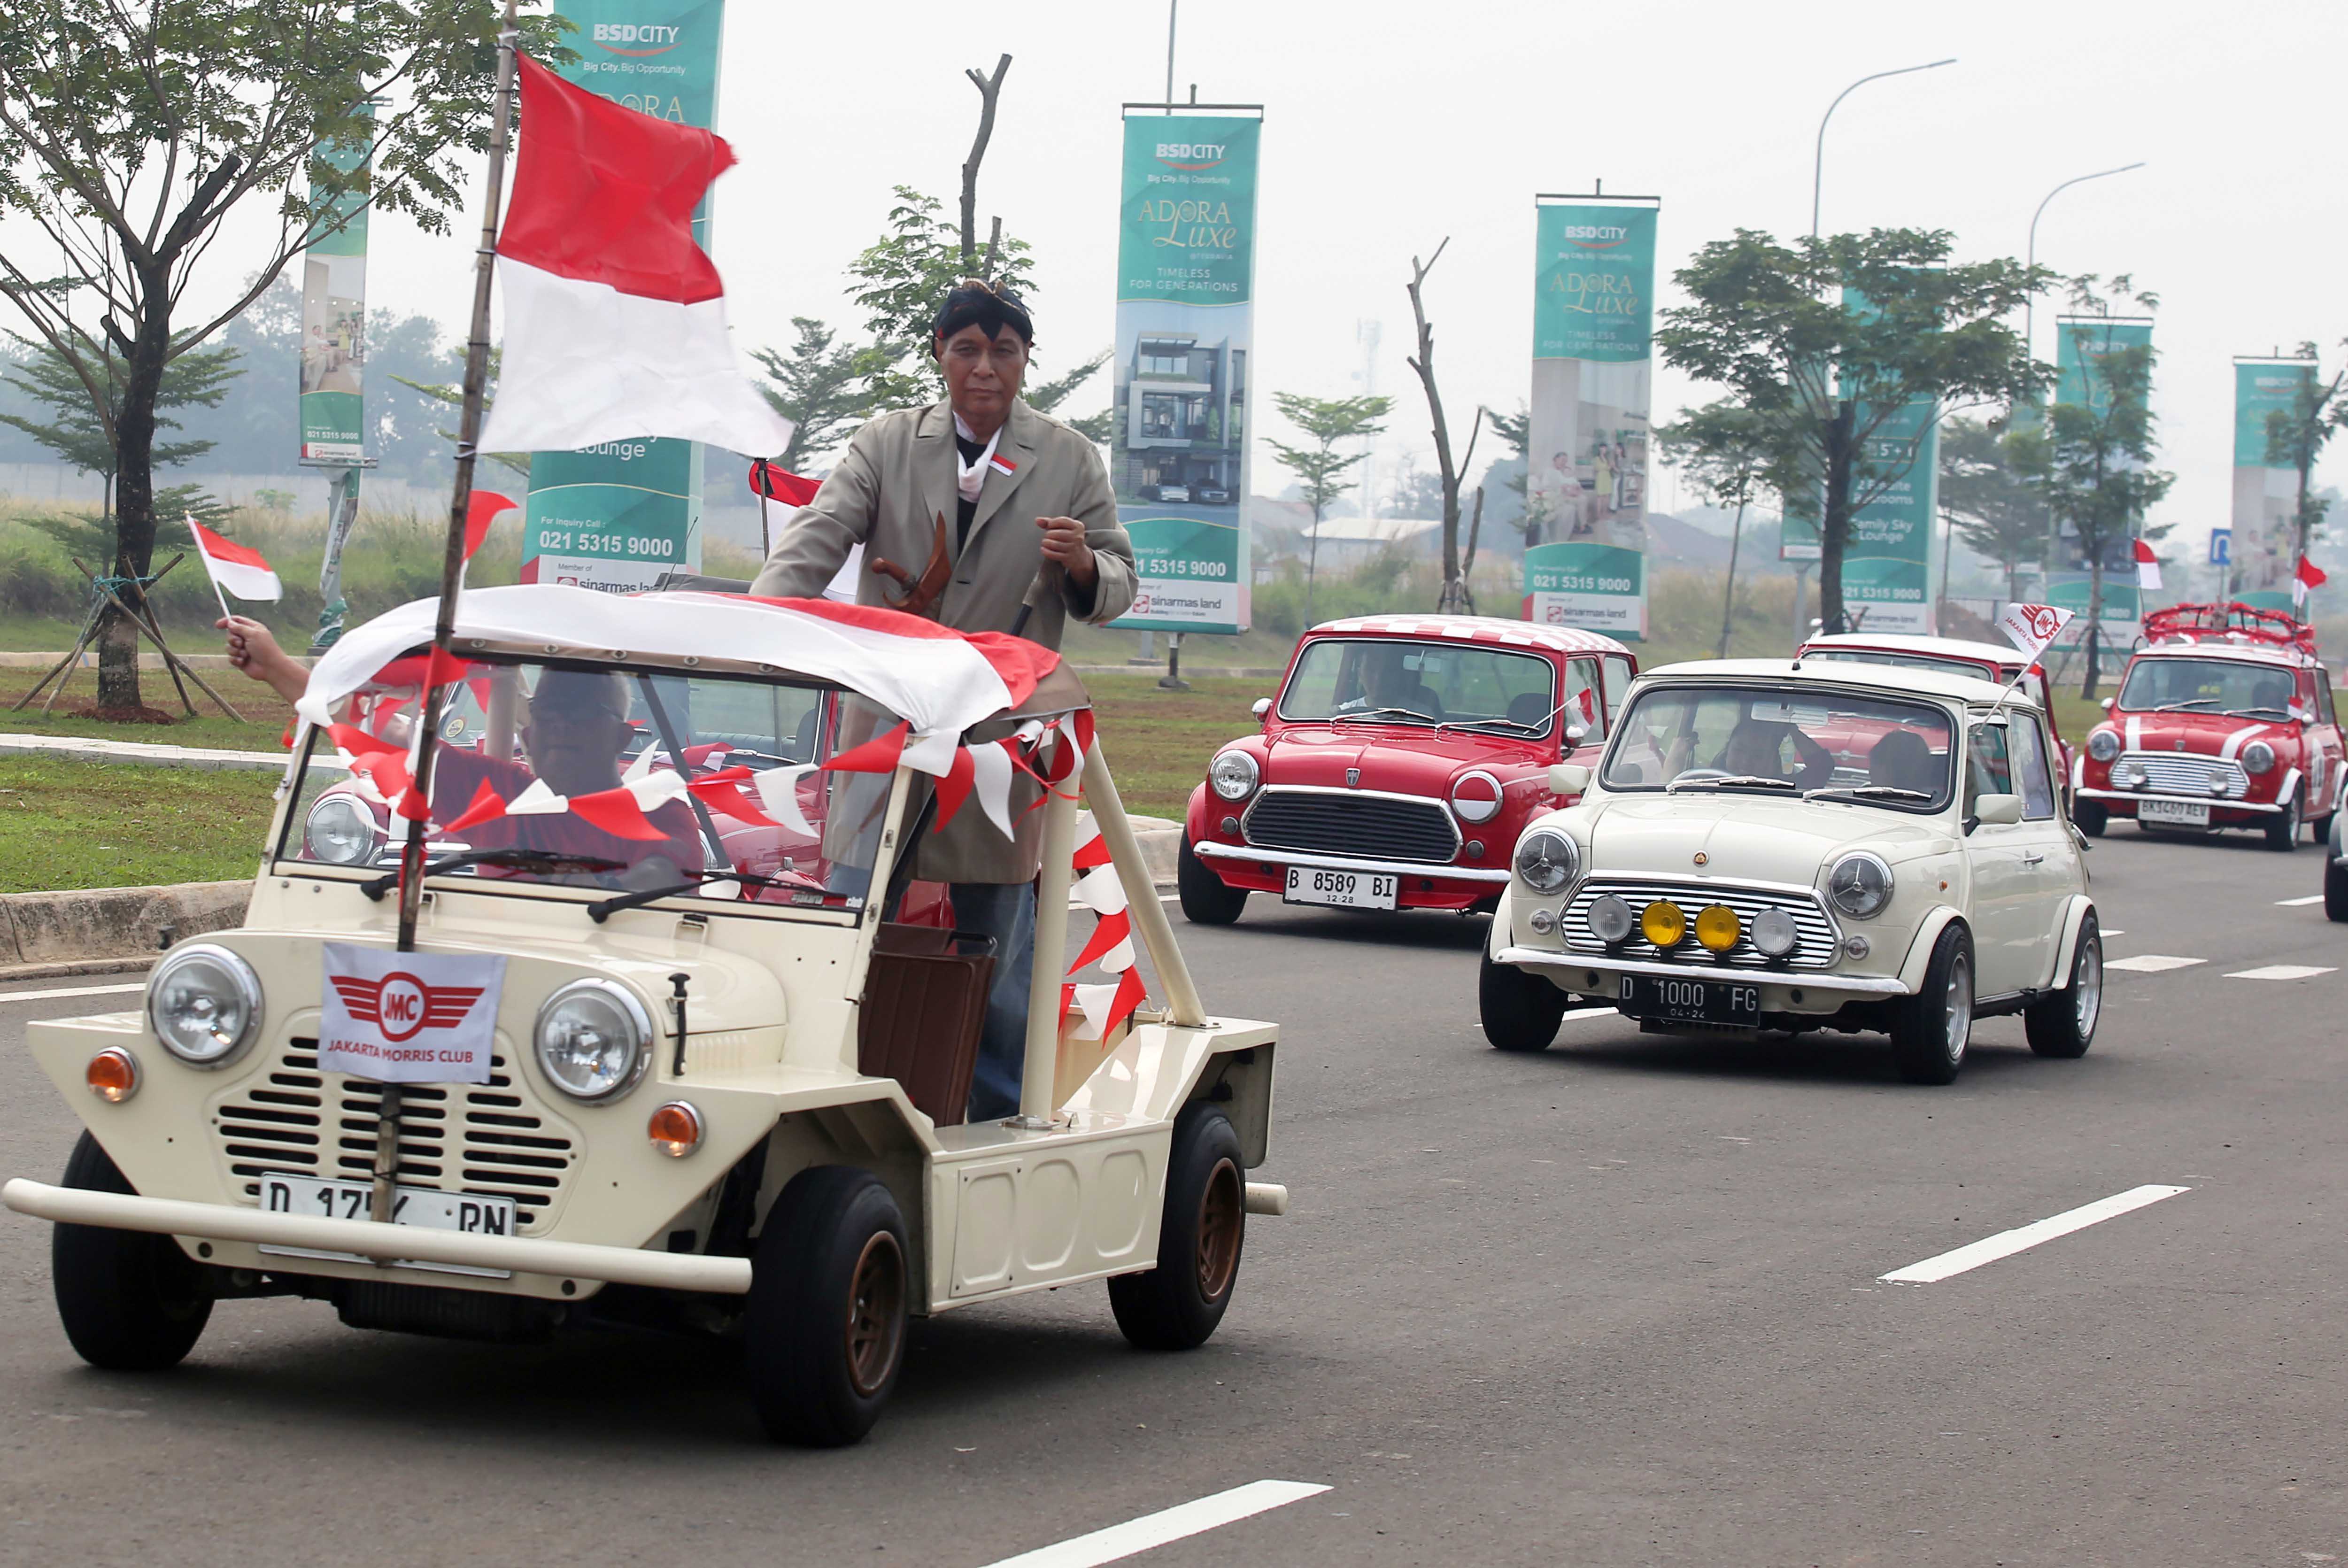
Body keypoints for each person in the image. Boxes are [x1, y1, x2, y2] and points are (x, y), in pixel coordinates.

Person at [750, 279, 1138, 1122]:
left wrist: (1080, 565)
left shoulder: (1068, 458)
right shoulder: (887, 442)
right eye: (967, 349)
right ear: (939, 356)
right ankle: (830, 1092)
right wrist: (759, 624)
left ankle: (1002, 1112)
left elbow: (1118, 585)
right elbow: (820, 533)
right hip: (885, 727)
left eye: (1004, 350)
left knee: (998, 934)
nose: (986, 368)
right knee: (849, 917)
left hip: (1003, 734)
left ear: (1026, 359)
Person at [219, 617, 701, 886]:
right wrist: (277, 666)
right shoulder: (503, 792)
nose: (561, 730)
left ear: (619, 738)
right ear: (528, 738)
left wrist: (575, 888)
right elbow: (380, 735)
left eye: (582, 716)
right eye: (549, 716)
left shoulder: (660, 813)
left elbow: (658, 881)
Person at [1719, 718, 1835, 790]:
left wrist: (1792, 730)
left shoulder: (1787, 790)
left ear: (1774, 761)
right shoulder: (1706, 780)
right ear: (1727, 751)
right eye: (1739, 750)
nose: (1746, 761)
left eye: (1758, 755)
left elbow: (1823, 766)